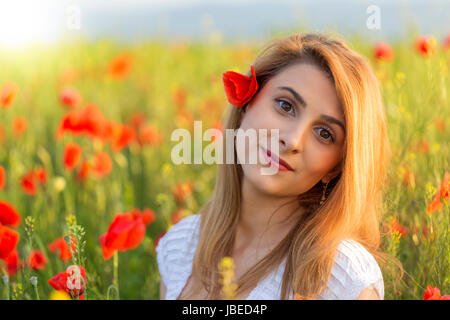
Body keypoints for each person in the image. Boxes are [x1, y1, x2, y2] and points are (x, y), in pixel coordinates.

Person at [157, 32, 392, 300]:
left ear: (335, 167)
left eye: (324, 133)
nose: (292, 140)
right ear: (247, 101)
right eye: (285, 105)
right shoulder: (181, 247)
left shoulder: (342, 280)